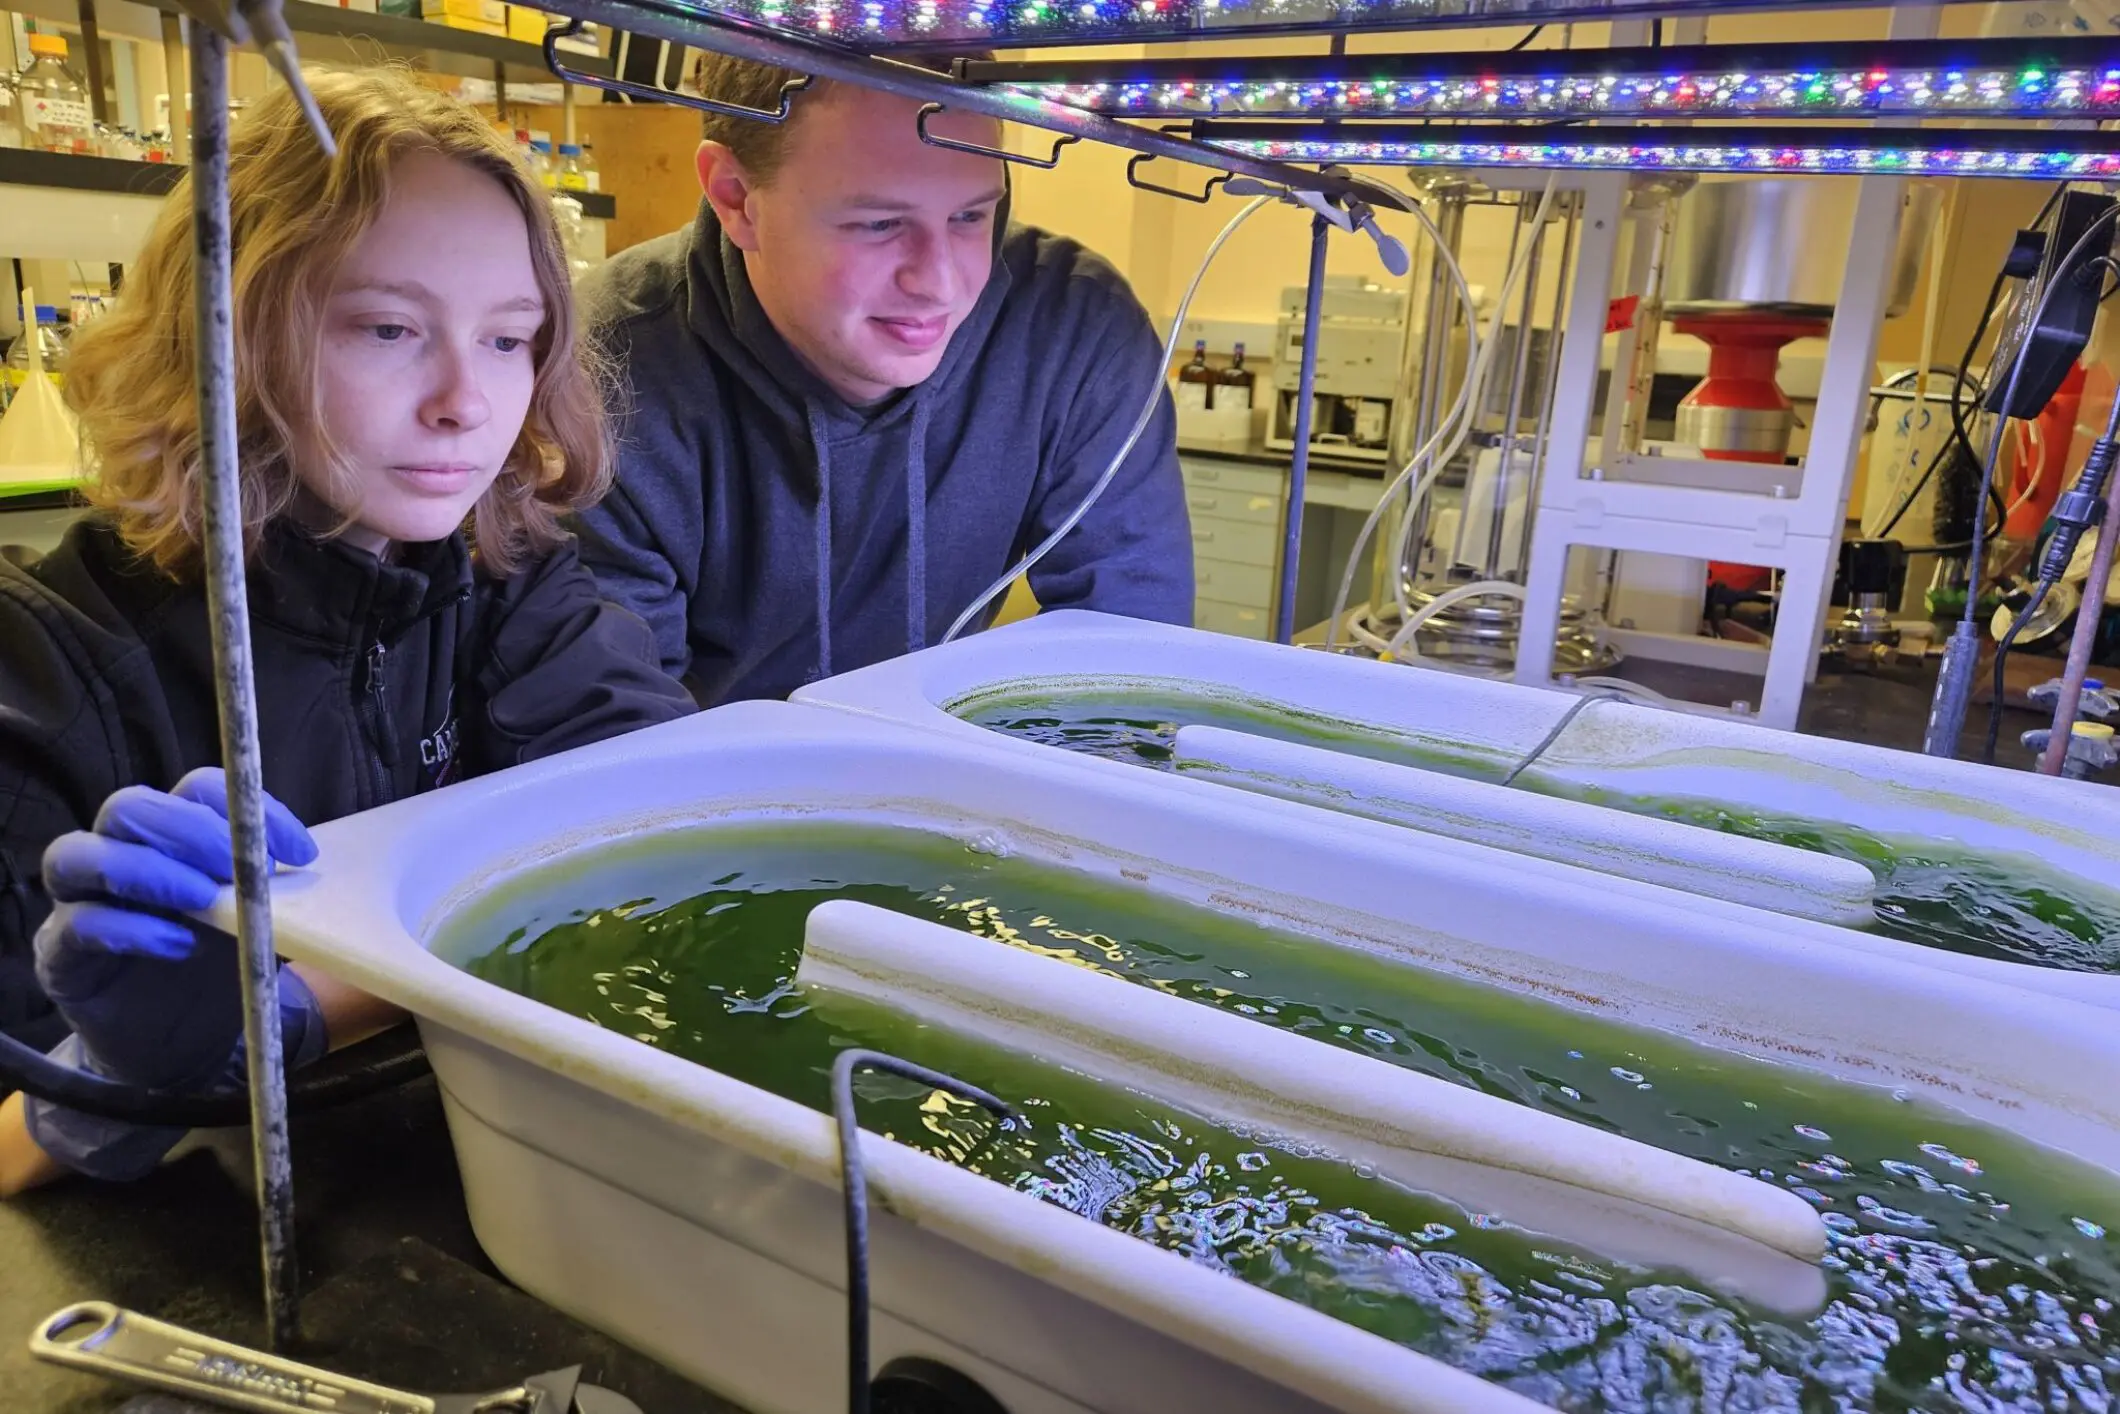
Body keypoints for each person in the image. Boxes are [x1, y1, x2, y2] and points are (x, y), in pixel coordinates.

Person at [0, 69, 695, 1196]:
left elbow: (665, 829)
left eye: (510, 338)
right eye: (388, 327)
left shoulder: (506, 582)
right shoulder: (49, 663)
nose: (467, 402)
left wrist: (298, 1009)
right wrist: (102, 1090)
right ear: (221, 334)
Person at [571, 51, 1193, 705]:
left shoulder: (1074, 328)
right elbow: (615, 731)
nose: (941, 285)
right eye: (879, 224)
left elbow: (1127, 663)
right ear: (735, 199)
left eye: (971, 216)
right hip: (710, 783)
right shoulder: (610, 360)